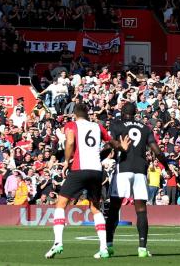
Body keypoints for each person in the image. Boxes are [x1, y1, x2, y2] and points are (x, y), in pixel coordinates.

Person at [44, 103, 123, 260]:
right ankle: (103, 248)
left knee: (60, 204)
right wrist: (122, 146)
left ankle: (58, 242)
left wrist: (66, 161)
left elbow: (70, 142)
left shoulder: (71, 125)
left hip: (79, 169)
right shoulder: (97, 126)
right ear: (88, 114)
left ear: (74, 114)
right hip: (96, 171)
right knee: (95, 208)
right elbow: (111, 142)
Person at [105, 102, 171, 258]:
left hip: (123, 169)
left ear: (122, 112)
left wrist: (99, 157)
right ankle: (142, 248)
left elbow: (110, 145)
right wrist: (166, 167)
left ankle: (108, 246)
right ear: (135, 113)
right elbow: (157, 151)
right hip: (140, 171)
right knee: (141, 210)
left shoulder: (117, 125)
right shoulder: (145, 128)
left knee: (114, 208)